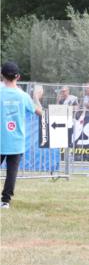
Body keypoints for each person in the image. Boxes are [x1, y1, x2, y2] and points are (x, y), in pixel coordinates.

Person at [1, 62, 44, 209]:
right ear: (18, 77)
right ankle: (5, 201)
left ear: (2, 75)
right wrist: (37, 97)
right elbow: (39, 112)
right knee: (11, 173)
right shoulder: (23, 96)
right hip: (16, 141)